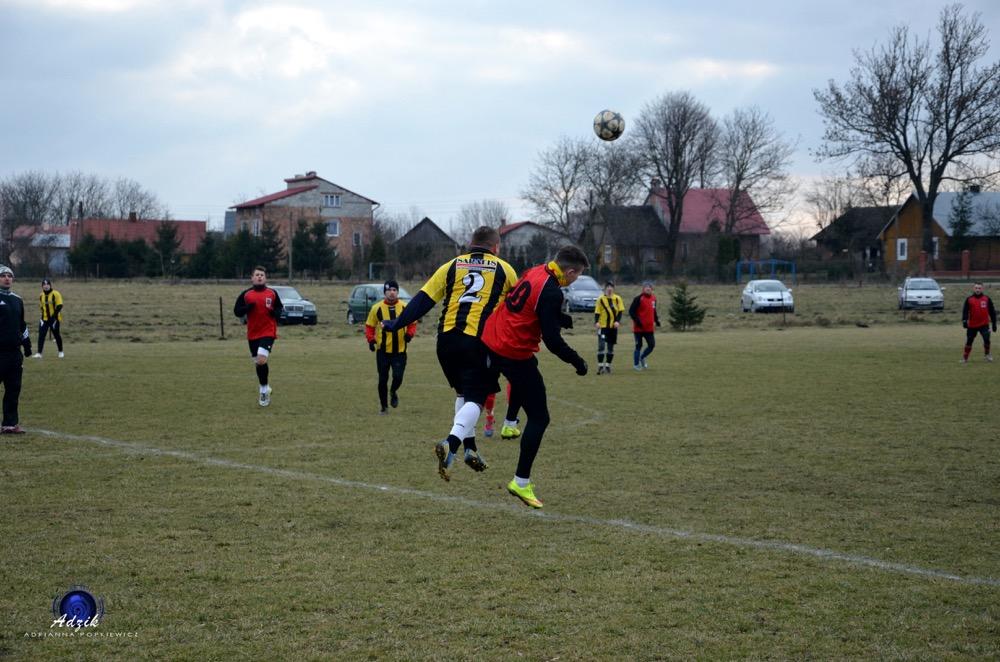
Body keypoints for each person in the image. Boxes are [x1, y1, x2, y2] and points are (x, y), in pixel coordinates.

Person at [382, 226, 518, 480]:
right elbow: (519, 306)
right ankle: (451, 443)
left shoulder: (451, 266)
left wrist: (397, 323)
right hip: (478, 342)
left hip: (445, 341)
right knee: (477, 398)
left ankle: (470, 449)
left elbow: (423, 300)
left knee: (463, 394)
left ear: (470, 243)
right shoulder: (504, 269)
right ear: (496, 247)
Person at [481, 245, 590, 509]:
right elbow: (553, 342)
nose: (575, 280)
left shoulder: (537, 270)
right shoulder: (552, 291)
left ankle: (508, 423)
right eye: (577, 275)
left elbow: (529, 304)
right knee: (540, 417)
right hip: (512, 349)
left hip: (492, 338)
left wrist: (559, 318)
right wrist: (578, 361)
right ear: (570, 271)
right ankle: (521, 481)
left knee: (525, 374)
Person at [233, 266, 283, 406]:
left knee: (261, 359)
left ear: (265, 278)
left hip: (268, 331)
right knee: (259, 363)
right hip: (253, 333)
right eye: (257, 275)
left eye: (262, 275)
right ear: (252, 278)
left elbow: (280, 308)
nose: (259, 277)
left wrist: (275, 313)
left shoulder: (272, 293)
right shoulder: (246, 295)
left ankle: (263, 391)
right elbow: (237, 311)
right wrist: (247, 308)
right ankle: (265, 387)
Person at [365, 280, 417, 414]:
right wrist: (371, 340)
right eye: (389, 290)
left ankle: (393, 391)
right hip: (382, 352)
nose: (391, 293)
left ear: (397, 292)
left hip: (400, 351)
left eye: (394, 290)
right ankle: (384, 408)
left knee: (398, 377)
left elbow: (412, 323)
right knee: (382, 380)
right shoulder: (376, 308)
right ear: (384, 292)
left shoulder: (405, 307)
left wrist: (409, 335)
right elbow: (369, 326)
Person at [0, 265, 33, 434]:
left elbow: (22, 325)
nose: (7, 278)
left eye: (9, 275)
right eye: (3, 275)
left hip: (14, 354)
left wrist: (27, 345)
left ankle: (10, 424)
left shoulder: (17, 300)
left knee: (13, 389)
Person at [961, 282, 997, 363]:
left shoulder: (987, 299)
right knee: (969, 341)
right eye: (976, 288)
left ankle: (987, 355)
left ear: (982, 289)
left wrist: (994, 324)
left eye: (979, 288)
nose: (978, 290)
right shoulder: (969, 299)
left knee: (987, 340)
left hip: (984, 325)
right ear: (974, 289)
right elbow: (965, 311)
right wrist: (964, 320)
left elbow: (992, 312)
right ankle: (965, 358)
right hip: (972, 325)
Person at [594, 280, 624, 375]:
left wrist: (617, 321)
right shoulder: (600, 299)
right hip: (603, 327)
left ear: (613, 289)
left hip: (612, 328)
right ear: (605, 289)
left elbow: (620, 311)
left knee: (610, 347)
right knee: (601, 346)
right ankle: (600, 367)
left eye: (611, 287)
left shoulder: (617, 298)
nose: (609, 289)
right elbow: (597, 312)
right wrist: (596, 322)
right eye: (608, 287)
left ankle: (607, 366)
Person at [629, 280, 660, 370]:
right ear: (643, 289)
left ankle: (642, 357)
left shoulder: (654, 299)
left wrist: (656, 320)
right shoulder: (638, 299)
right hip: (638, 328)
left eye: (649, 287)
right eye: (646, 287)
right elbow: (631, 312)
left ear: (652, 289)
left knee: (651, 345)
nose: (648, 288)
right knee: (638, 346)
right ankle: (636, 365)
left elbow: (654, 311)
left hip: (649, 328)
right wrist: (637, 321)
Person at [33, 278, 64, 359]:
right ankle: (39, 353)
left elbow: (60, 305)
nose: (46, 286)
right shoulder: (41, 295)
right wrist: (42, 317)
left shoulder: (56, 294)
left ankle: (61, 352)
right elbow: (41, 307)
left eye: (47, 284)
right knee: (41, 335)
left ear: (50, 285)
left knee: (56, 335)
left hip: (54, 319)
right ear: (42, 286)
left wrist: (53, 317)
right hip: (44, 319)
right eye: (44, 285)